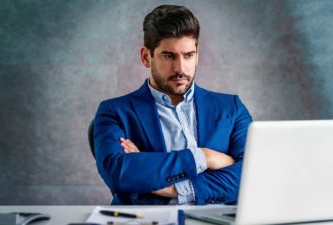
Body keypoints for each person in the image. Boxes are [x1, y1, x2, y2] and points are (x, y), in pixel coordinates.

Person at [94, 4, 252, 205]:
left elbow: (253, 175)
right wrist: (204, 157)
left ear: (197, 54)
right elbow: (119, 174)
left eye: (188, 55)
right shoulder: (114, 111)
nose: (180, 68)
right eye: (168, 56)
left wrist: (167, 185)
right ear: (146, 57)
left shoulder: (232, 108)